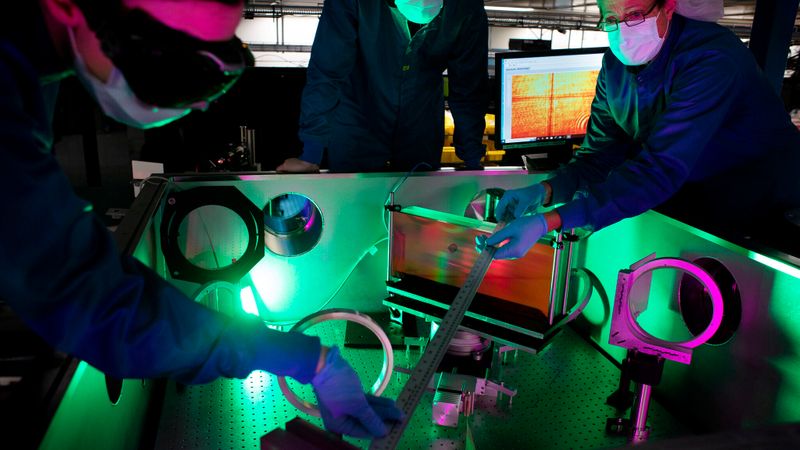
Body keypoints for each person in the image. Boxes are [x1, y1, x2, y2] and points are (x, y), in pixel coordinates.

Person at [0, 0, 401, 438]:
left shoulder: (34, 56)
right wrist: (306, 359)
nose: (198, 105)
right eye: (172, 63)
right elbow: (85, 296)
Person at [487, 0, 800, 260]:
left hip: (761, 211)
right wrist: (545, 191)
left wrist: (549, 221)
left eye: (634, 15)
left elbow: (660, 167)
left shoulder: (711, 58)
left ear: (668, 7)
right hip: (687, 198)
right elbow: (597, 157)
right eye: (611, 19)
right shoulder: (614, 67)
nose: (622, 30)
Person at [276, 0, 488, 173]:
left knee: (419, 216)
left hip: (420, 131)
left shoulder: (466, 7)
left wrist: (472, 160)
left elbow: (469, 85)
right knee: (355, 211)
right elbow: (327, 73)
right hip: (357, 126)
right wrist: (311, 154)